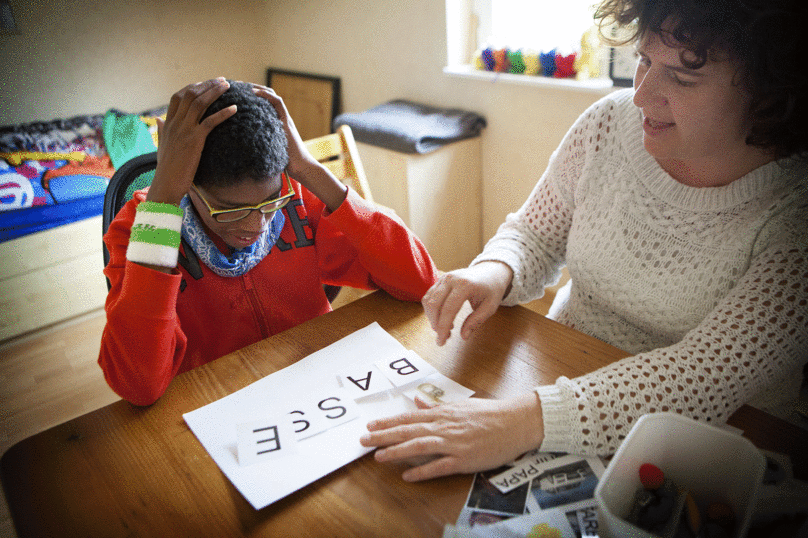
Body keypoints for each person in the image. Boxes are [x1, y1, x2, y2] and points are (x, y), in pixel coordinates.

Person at [360, 0, 808, 482]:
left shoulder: (795, 211)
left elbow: (701, 378)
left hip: (723, 439)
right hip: (562, 375)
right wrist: (494, 272)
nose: (641, 95)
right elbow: (533, 233)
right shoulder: (607, 124)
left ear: (767, 95)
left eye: (680, 77)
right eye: (643, 60)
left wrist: (519, 421)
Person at [100, 78, 438, 405]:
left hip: (317, 383)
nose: (255, 224)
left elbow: (420, 282)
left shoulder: (298, 197)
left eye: (271, 201)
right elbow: (138, 384)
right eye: (229, 209)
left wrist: (307, 168)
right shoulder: (140, 229)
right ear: (188, 185)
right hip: (217, 402)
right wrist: (164, 198)